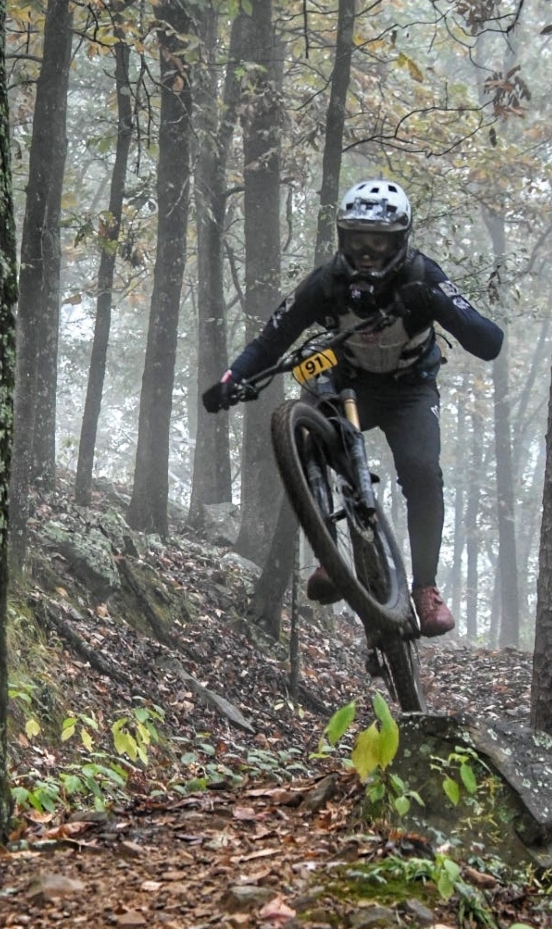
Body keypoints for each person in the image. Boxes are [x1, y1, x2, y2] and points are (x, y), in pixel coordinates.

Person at [201, 177, 504, 636]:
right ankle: (331, 553)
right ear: (343, 237)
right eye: (358, 240)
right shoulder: (327, 283)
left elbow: (490, 342)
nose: (367, 253)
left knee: (422, 471)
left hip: (410, 390)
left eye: (379, 243)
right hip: (347, 384)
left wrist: (436, 300)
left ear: (400, 242)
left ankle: (425, 588)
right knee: (306, 428)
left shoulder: (423, 275)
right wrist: (230, 380)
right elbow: (270, 340)